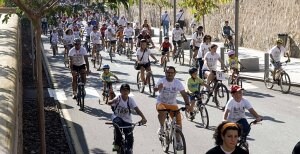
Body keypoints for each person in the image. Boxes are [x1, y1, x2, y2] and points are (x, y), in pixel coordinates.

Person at [154, 66, 190, 150]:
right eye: (168, 72)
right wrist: (158, 87)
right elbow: (155, 89)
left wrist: (187, 104)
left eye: (171, 73)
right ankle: (162, 127)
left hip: (173, 105)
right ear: (165, 73)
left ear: (174, 74)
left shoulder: (177, 82)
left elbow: (184, 94)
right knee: (162, 111)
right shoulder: (161, 81)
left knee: (178, 124)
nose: (170, 74)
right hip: (161, 102)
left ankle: (178, 141)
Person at [107, 84, 147, 152]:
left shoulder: (130, 100)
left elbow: (137, 109)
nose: (125, 92)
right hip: (117, 117)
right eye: (123, 90)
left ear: (129, 92)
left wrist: (143, 118)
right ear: (120, 91)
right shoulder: (118, 98)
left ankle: (129, 149)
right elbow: (109, 102)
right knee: (118, 127)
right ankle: (117, 144)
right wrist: (112, 100)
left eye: (127, 90)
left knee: (129, 135)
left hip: (127, 119)